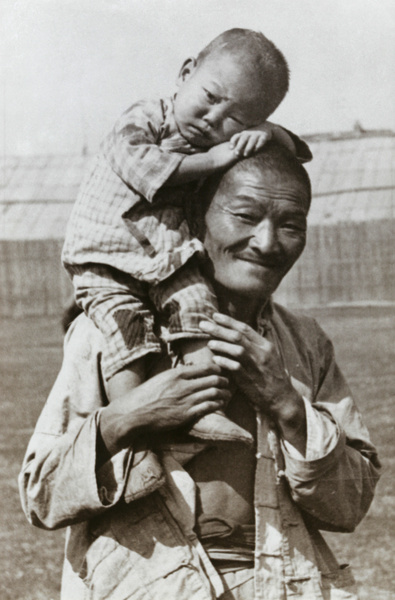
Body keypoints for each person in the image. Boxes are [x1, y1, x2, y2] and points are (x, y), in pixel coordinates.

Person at [19, 143, 380, 600]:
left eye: (291, 224)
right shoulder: (111, 333)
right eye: (245, 217)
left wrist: (288, 405)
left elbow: (350, 506)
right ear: (196, 217)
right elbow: (41, 496)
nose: (268, 242)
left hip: (284, 585)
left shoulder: (304, 342)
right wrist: (128, 415)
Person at [62, 28, 311, 445]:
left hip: (164, 260)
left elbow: (297, 150)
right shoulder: (146, 119)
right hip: (107, 257)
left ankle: (202, 407)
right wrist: (218, 155)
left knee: (198, 308)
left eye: (235, 119)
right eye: (210, 98)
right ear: (185, 72)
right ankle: (136, 422)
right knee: (127, 332)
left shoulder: (220, 143)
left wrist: (267, 133)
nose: (213, 119)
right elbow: (144, 169)